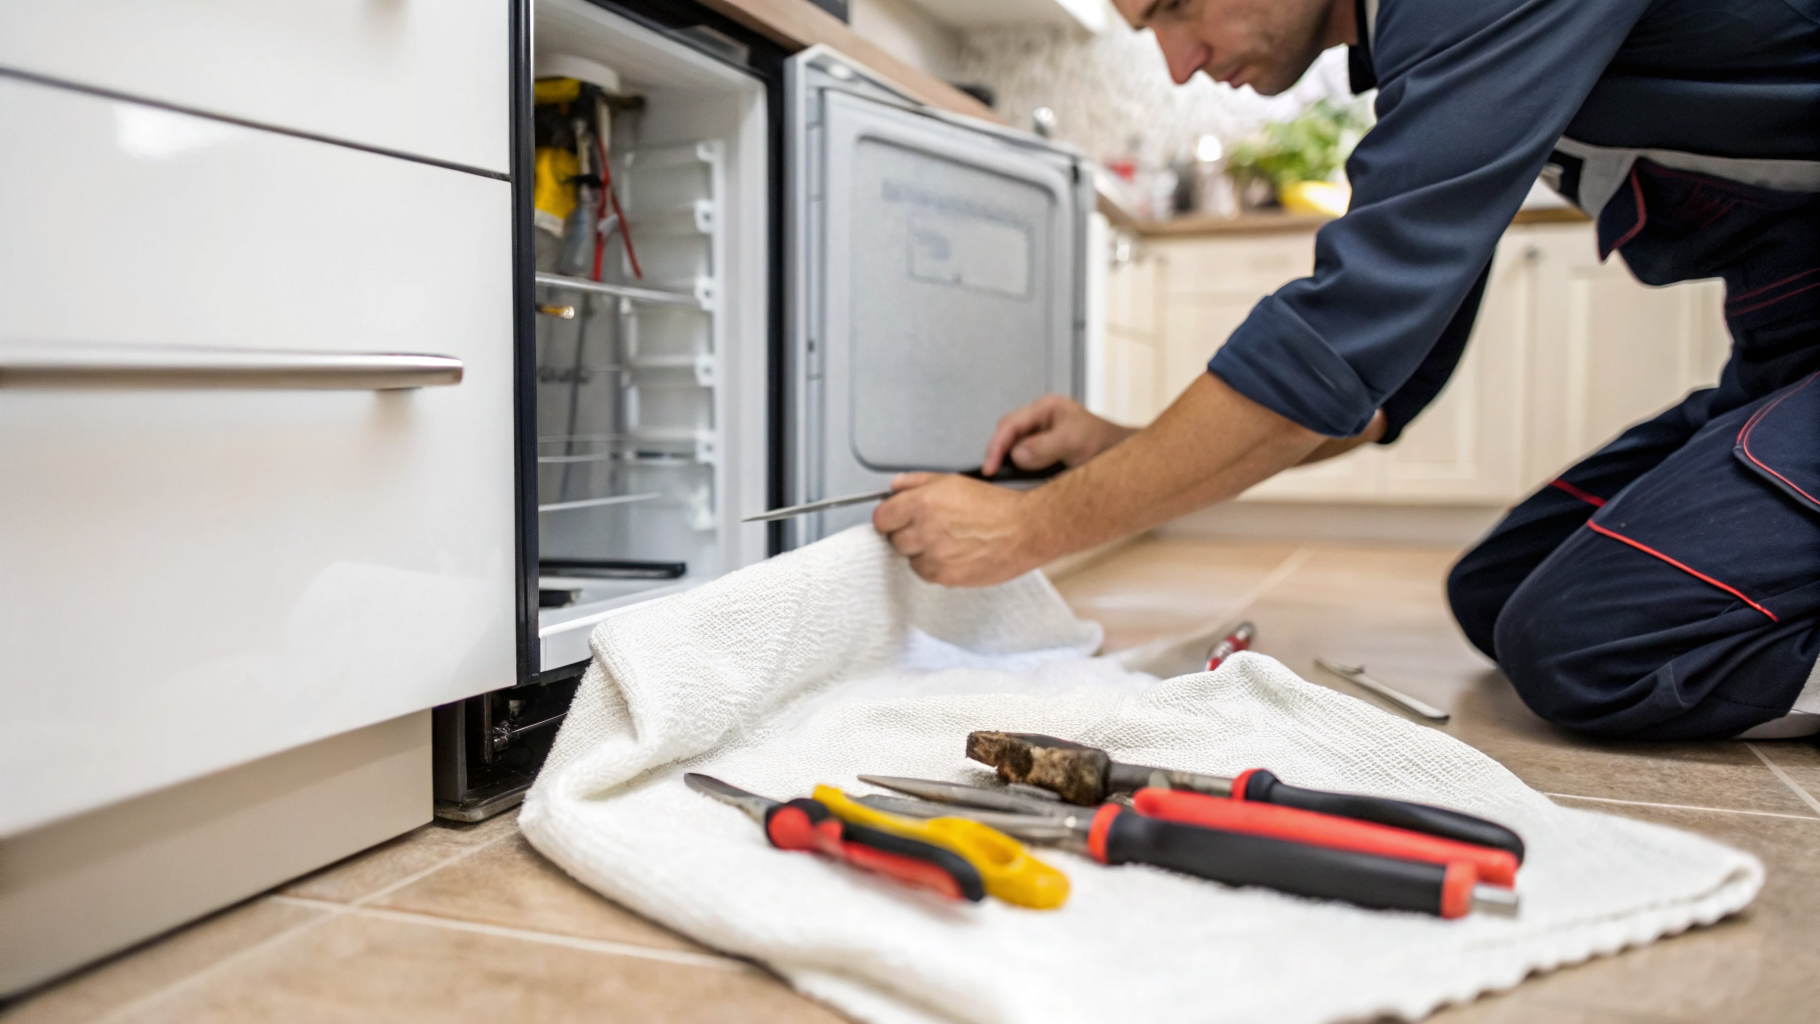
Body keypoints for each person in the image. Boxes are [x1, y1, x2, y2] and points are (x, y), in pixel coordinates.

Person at [872, 0, 1820, 740]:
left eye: (1175, 6)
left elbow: (1341, 342)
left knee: (1592, 649)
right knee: (1495, 595)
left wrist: (1028, 527)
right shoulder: (1436, 60)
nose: (1178, 62)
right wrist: (1123, 447)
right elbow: (1381, 387)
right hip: (1788, 351)